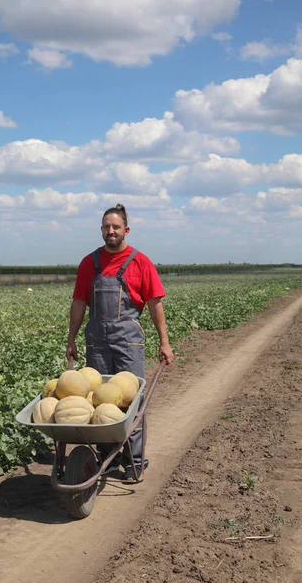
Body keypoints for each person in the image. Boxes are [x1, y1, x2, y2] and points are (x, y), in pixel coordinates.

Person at [66, 203, 174, 481]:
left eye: (115, 227)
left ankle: (134, 459)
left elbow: (155, 304)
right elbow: (79, 303)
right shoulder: (89, 263)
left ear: (126, 230)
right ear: (101, 230)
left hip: (129, 342)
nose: (110, 231)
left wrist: (165, 342)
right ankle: (108, 457)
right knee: (100, 399)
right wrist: (71, 339)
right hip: (97, 341)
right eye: (106, 227)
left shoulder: (140, 262)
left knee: (130, 399)